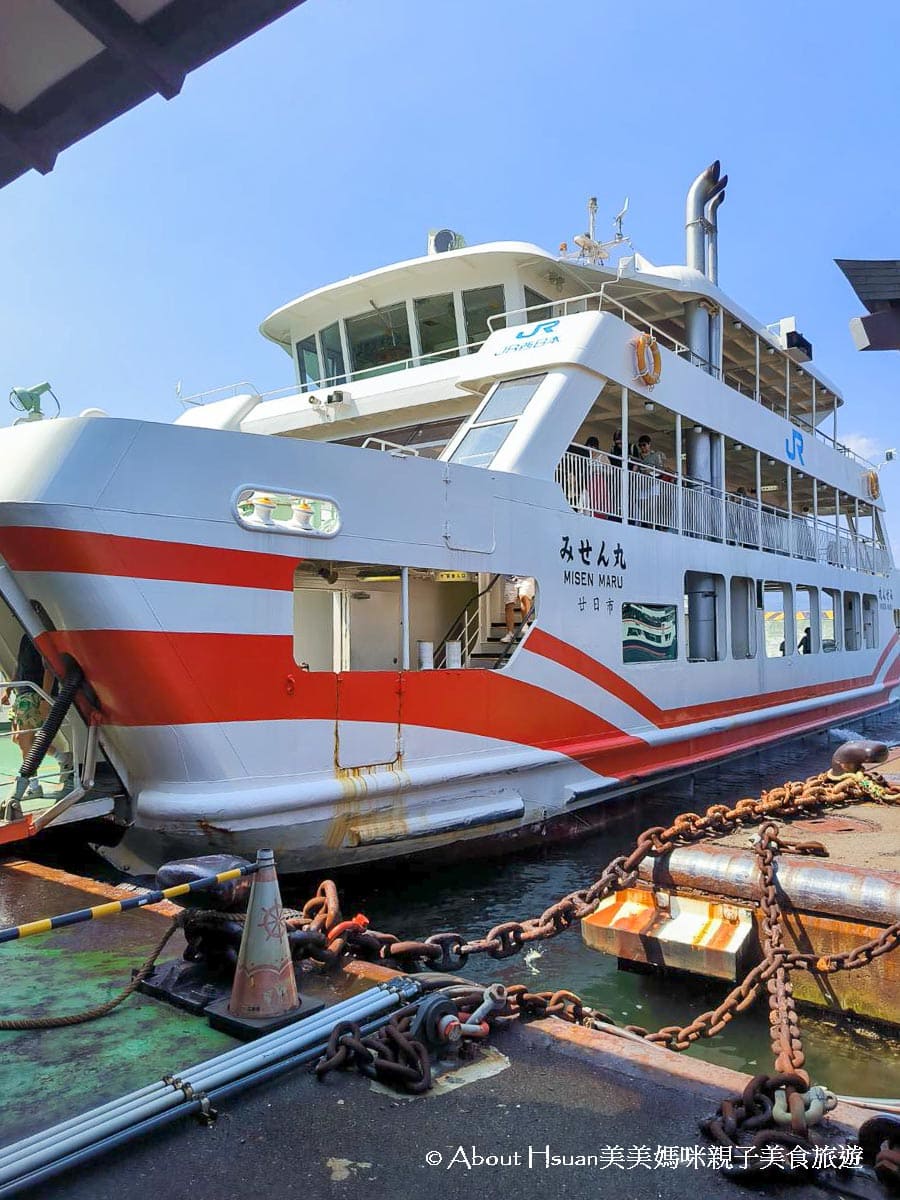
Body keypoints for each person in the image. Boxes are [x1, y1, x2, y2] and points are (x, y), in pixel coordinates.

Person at [0, 635, 72, 798]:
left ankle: (34, 786)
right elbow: (20, 666)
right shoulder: (25, 637)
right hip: (23, 692)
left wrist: (45, 697)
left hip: (35, 694)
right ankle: (63, 757)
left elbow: (49, 667)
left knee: (25, 741)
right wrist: (10, 689)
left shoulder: (39, 635)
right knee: (18, 739)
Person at [500, 576, 535, 643]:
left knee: (524, 597)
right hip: (510, 578)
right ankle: (510, 634)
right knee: (509, 604)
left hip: (527, 576)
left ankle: (525, 625)